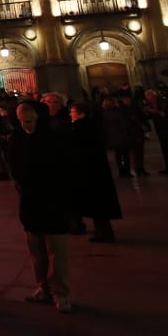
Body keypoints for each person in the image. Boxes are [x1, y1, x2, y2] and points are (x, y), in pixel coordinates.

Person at [9, 102, 75, 313]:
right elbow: (13, 164)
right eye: (20, 121)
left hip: (54, 203)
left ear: (39, 118)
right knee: (37, 252)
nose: (24, 125)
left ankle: (61, 294)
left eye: (28, 121)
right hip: (30, 203)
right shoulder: (18, 138)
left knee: (57, 253)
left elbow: (67, 169)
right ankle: (43, 288)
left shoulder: (54, 139)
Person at [66, 100, 122, 243]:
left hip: (90, 169)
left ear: (81, 113)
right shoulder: (93, 125)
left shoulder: (80, 127)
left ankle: (103, 232)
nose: (70, 115)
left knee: (98, 204)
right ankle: (102, 231)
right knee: (99, 204)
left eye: (72, 112)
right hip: (96, 169)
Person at [144, 89, 168, 175]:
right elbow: (149, 116)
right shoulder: (150, 105)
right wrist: (147, 112)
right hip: (161, 130)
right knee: (165, 150)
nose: (149, 99)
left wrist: (156, 112)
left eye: (150, 97)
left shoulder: (164, 101)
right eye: (148, 98)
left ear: (154, 96)